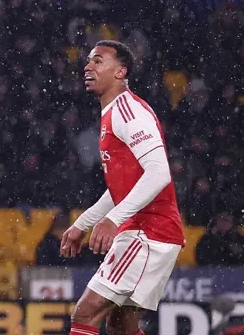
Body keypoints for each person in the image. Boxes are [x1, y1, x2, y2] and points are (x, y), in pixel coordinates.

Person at [60, 40, 184, 335]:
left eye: (98, 61)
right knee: (121, 326)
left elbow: (159, 173)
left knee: (85, 313)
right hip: (148, 231)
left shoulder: (129, 112)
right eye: (88, 60)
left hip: (148, 231)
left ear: (120, 72)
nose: (88, 66)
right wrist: (83, 223)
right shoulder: (114, 113)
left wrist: (112, 220)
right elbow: (122, 188)